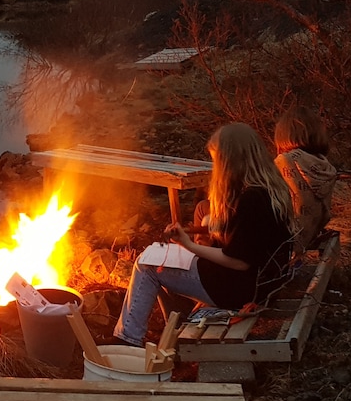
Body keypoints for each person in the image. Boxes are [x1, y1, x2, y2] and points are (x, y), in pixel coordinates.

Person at [111, 122, 295, 347]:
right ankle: (174, 328)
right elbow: (248, 237)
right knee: (161, 258)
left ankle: (127, 340)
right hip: (262, 282)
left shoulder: (251, 200)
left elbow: (239, 262)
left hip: (239, 289)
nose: (215, 167)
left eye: (217, 160)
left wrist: (189, 245)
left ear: (230, 162)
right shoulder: (270, 188)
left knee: (146, 266)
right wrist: (209, 228)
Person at [274, 106, 338, 257]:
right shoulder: (324, 165)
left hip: (285, 240)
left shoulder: (285, 161)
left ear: (283, 133)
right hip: (308, 235)